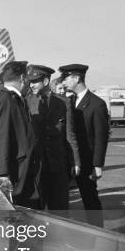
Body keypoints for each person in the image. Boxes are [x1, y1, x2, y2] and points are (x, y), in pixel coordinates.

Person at [59, 63, 109, 227]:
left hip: (87, 162)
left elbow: (101, 137)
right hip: (68, 159)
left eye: (66, 78)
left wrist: (97, 165)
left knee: (90, 199)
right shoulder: (68, 101)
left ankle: (98, 232)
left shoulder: (96, 104)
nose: (63, 81)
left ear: (76, 78)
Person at [26, 65, 80, 212]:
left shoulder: (64, 102)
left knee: (60, 210)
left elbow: (69, 134)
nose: (31, 85)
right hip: (37, 167)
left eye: (35, 81)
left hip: (58, 165)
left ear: (45, 82)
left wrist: (75, 161)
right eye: (30, 82)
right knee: (36, 212)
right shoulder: (27, 102)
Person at [0, 61, 38, 207]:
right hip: (13, 176)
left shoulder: (13, 99)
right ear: (22, 78)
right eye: (27, 78)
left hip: (21, 172)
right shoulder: (4, 101)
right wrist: (2, 175)